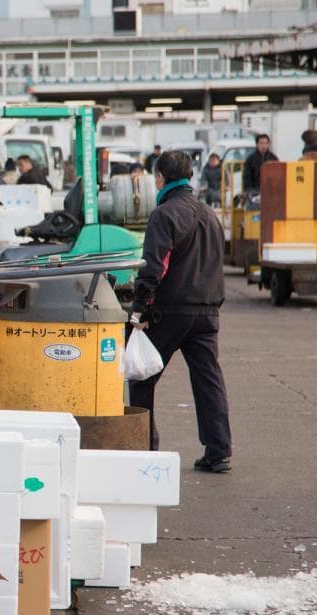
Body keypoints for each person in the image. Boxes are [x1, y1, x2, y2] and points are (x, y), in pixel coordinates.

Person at [129, 150, 233, 474]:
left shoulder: (164, 214)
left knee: (141, 375)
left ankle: (145, 447)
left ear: (160, 178)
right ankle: (219, 450)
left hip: (170, 311)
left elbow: (153, 268)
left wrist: (138, 311)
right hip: (208, 312)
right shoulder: (208, 214)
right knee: (208, 380)